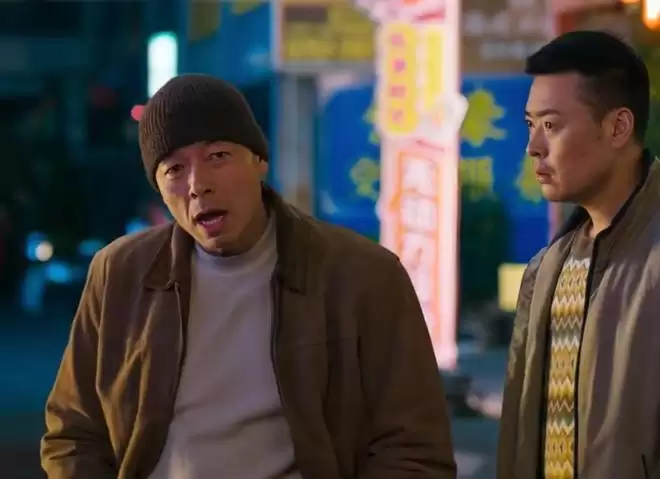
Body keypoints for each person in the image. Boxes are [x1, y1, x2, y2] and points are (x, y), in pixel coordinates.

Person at [41, 74, 456, 479]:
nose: (198, 185)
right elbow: (72, 433)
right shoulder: (120, 274)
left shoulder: (362, 276)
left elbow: (414, 449)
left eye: (218, 157)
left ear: (260, 160)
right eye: (174, 169)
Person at [497, 30, 660, 478]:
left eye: (551, 125)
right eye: (530, 125)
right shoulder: (547, 270)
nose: (533, 147)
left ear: (618, 127)